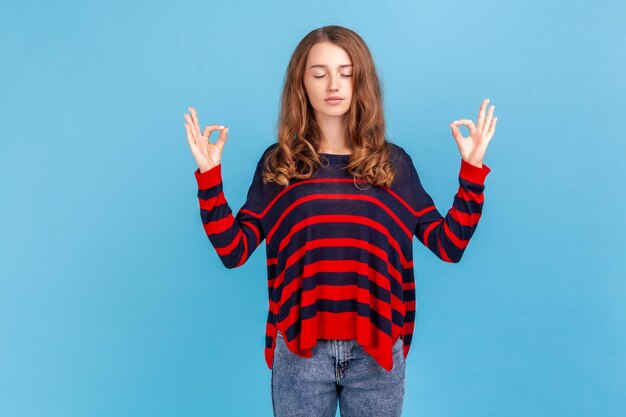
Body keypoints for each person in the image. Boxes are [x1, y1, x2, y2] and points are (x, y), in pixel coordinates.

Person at [184, 25, 496, 417]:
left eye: (345, 72)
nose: (333, 84)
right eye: (319, 73)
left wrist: (472, 169)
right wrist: (210, 177)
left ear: (360, 80)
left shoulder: (393, 164)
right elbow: (233, 250)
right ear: (302, 84)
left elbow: (449, 246)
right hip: (300, 350)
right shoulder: (278, 165)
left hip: (377, 350)